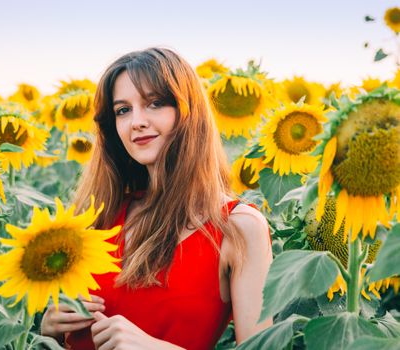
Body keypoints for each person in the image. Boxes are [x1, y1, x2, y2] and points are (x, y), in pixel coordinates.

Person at [41, 47, 273, 349]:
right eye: (123, 110)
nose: (136, 121)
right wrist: (51, 330)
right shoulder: (99, 214)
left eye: (154, 103)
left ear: (189, 111)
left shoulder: (238, 226)